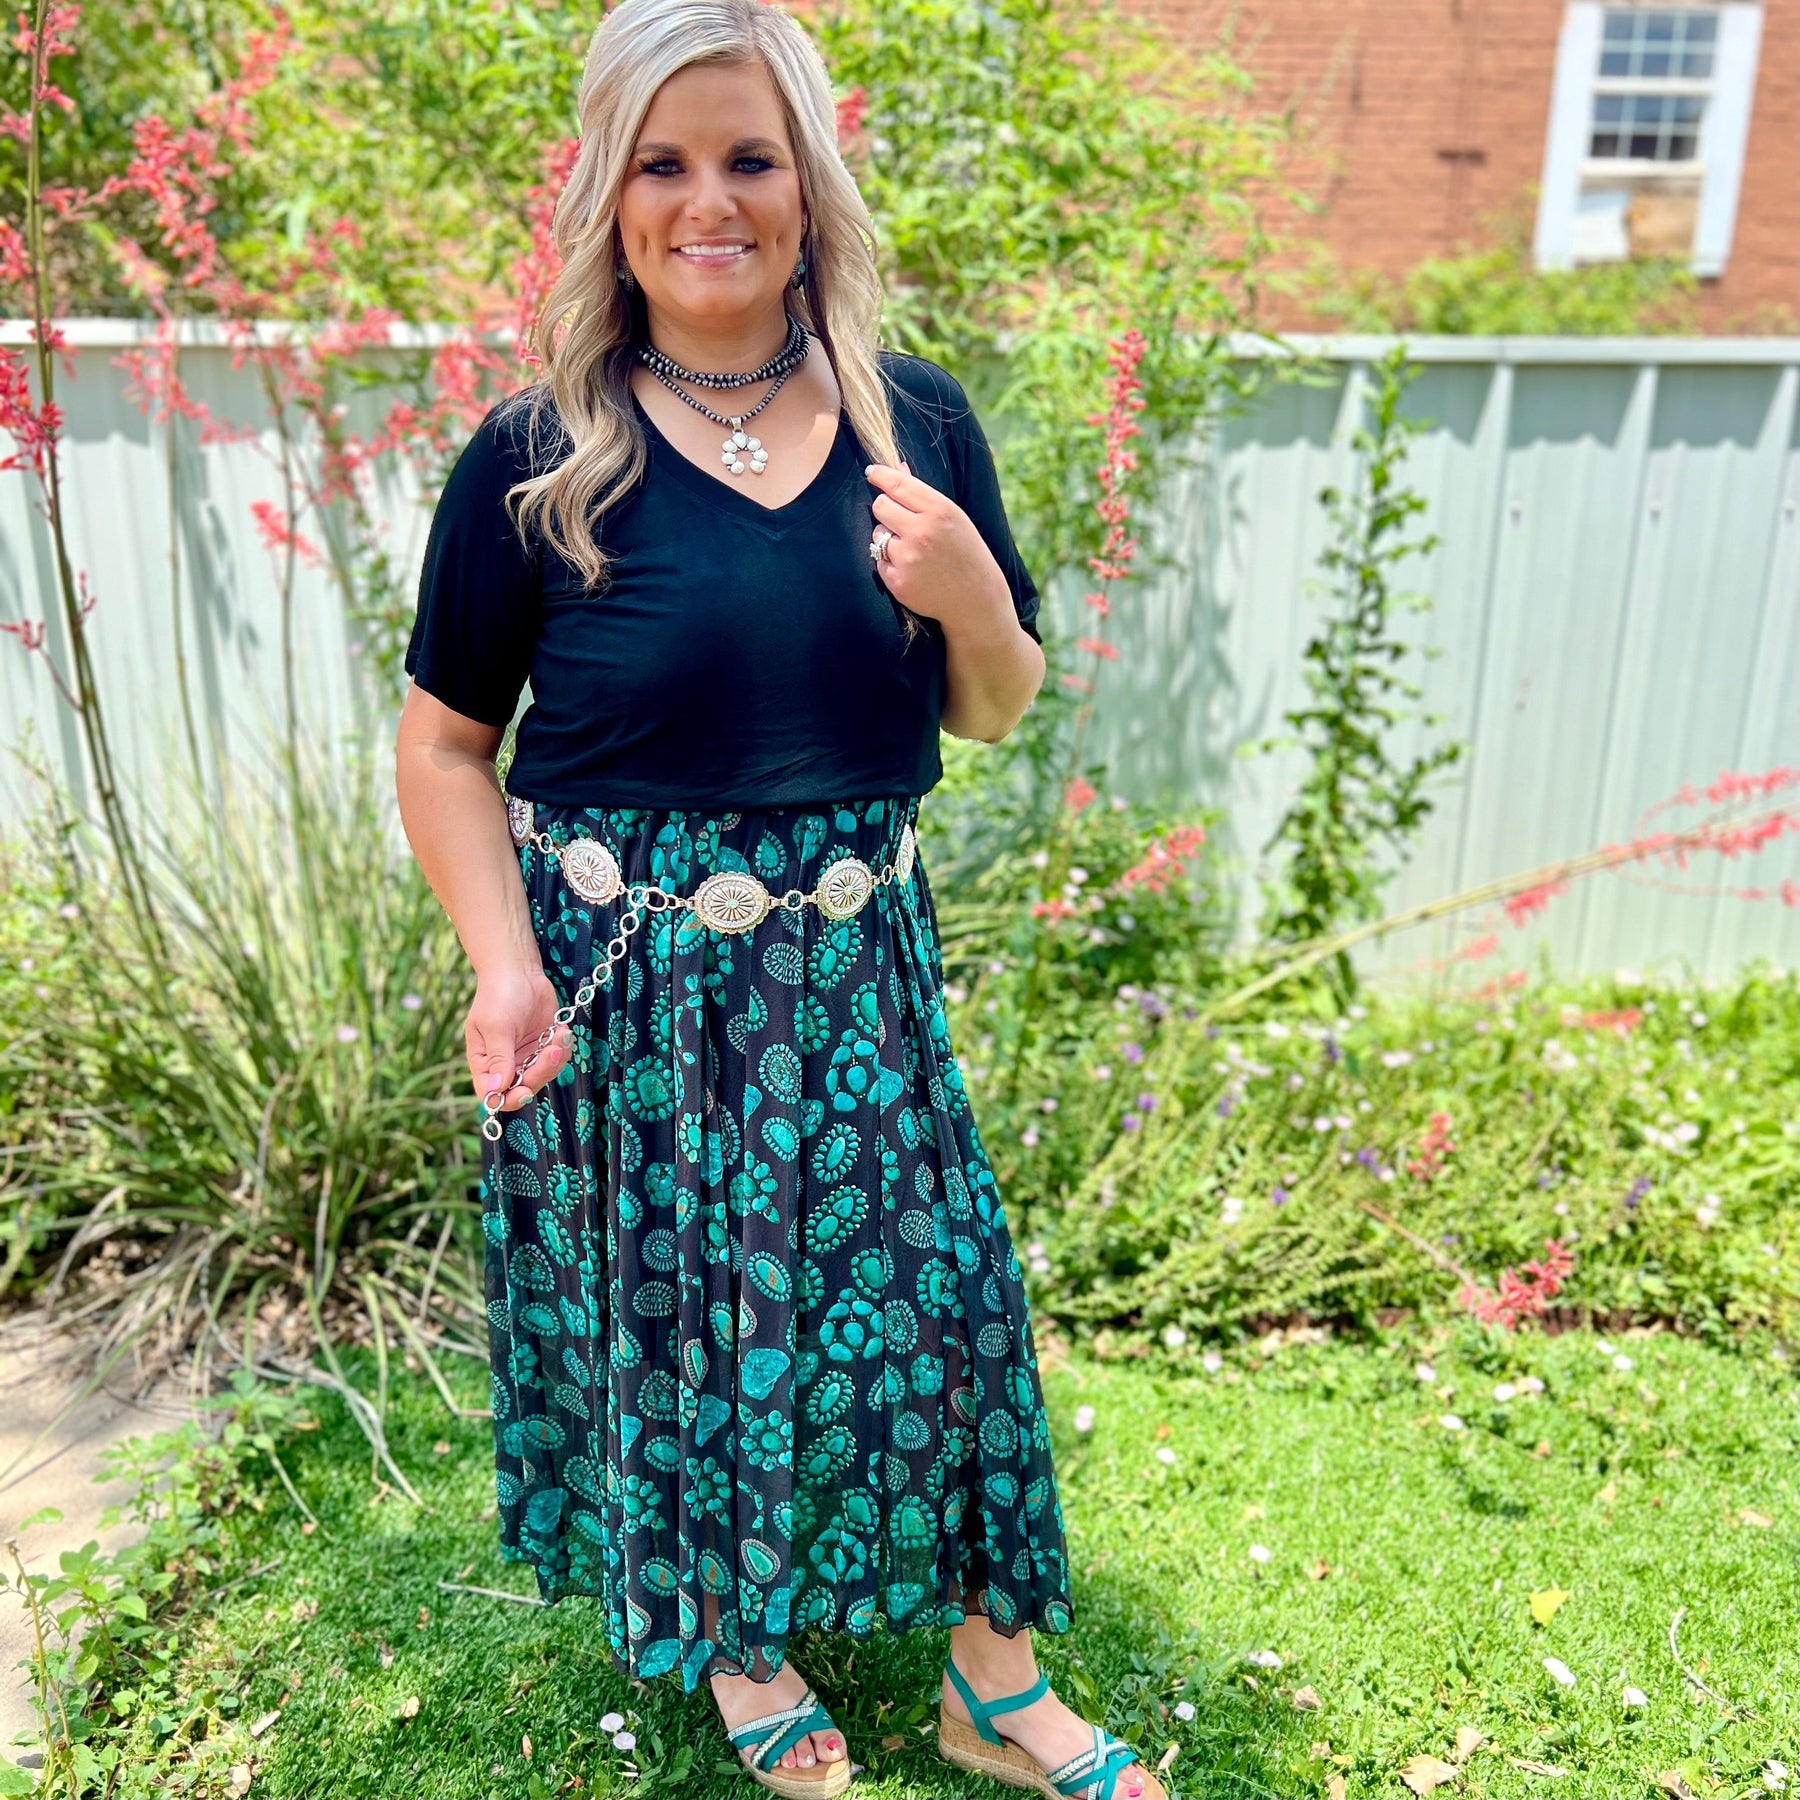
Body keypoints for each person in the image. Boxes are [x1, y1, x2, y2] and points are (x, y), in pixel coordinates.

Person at [395, 2, 1162, 1796]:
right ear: (609, 194)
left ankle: (993, 1683)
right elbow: (444, 745)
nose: (710, 201)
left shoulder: (918, 425)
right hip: (633, 987)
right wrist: (503, 967)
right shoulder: (537, 455)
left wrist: (974, 597)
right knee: (693, 1330)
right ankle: (747, 1656)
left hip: (859, 963)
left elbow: (990, 704)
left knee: (945, 1307)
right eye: (663, 163)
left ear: (808, 183)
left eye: (750, 158)